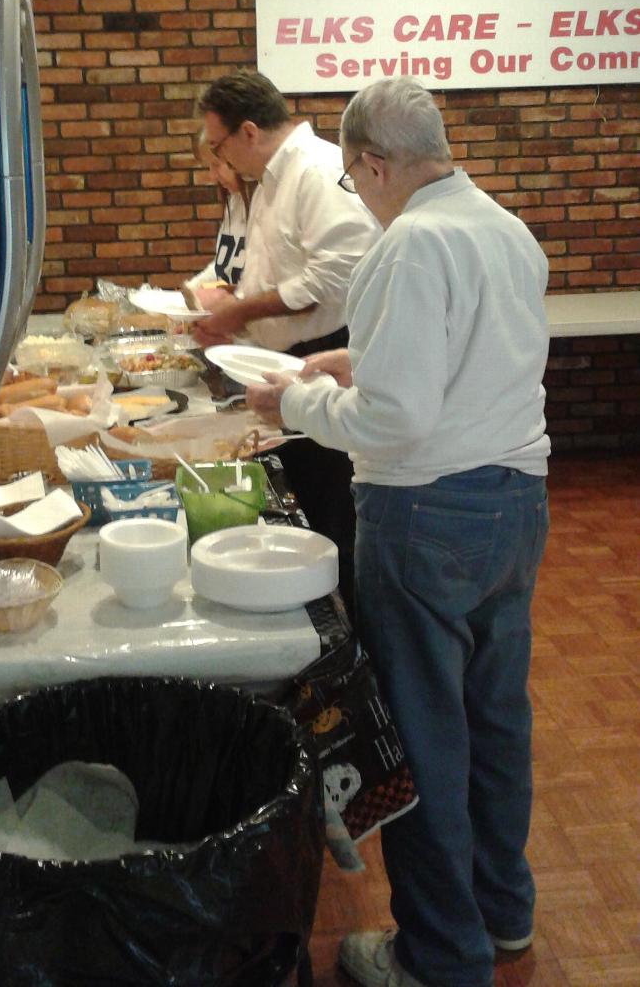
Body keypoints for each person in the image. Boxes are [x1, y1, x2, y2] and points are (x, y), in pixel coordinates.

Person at [246, 77, 550, 987]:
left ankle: (437, 956)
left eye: (354, 179)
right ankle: (502, 915)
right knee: (493, 723)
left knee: (420, 735)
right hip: (513, 505)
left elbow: (397, 422)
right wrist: (353, 357)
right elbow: (465, 358)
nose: (358, 196)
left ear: (374, 163)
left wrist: (293, 399)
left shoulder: (410, 244)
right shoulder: (501, 226)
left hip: (425, 516)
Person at [192, 70, 377, 617]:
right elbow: (269, 271)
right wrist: (232, 309)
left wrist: (240, 311)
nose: (220, 159)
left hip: (327, 353)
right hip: (289, 354)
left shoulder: (315, 169)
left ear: (249, 131)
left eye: (218, 144)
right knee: (312, 504)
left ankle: (350, 634)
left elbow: (335, 277)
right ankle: (324, 615)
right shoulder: (272, 177)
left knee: (333, 507)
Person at [185, 129, 252, 305]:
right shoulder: (234, 201)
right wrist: (190, 290)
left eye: (216, 165)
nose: (212, 176)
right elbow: (223, 266)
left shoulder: (262, 204)